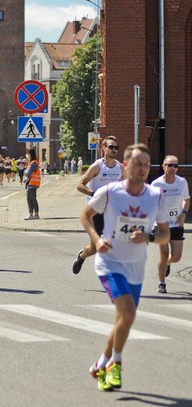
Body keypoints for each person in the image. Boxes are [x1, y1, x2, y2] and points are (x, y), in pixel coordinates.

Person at [80, 143, 170, 392]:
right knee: (128, 314)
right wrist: (97, 240)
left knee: (123, 320)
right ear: (126, 165)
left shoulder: (156, 196)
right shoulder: (110, 192)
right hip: (110, 263)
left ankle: (99, 363)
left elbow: (164, 234)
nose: (142, 168)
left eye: (146, 164)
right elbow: (85, 215)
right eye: (138, 164)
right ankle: (115, 364)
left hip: (136, 267)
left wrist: (150, 238)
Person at [72, 136, 125, 274]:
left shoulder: (120, 168)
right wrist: (93, 194)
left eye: (116, 147)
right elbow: (79, 185)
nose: (114, 150)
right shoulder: (97, 166)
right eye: (111, 147)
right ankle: (82, 255)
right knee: (94, 248)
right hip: (94, 211)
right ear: (104, 148)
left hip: (111, 211)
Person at [151, 155, 189, 293]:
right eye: (169, 165)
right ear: (163, 166)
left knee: (176, 257)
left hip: (177, 224)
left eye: (175, 166)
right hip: (161, 225)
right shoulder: (156, 184)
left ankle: (167, 263)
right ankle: (162, 283)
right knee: (163, 254)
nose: (172, 168)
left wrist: (184, 213)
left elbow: (187, 199)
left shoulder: (182, 182)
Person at [23, 149, 41, 220]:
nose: (28, 156)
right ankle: (31, 214)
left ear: (31, 155)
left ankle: (35, 214)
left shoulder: (33, 163)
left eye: (28, 154)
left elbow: (27, 173)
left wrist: (25, 172)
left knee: (32, 198)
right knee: (29, 198)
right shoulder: (32, 162)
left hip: (32, 183)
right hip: (30, 183)